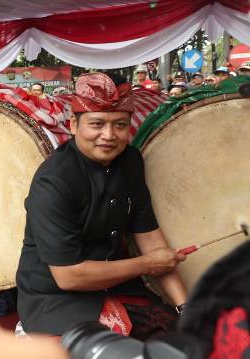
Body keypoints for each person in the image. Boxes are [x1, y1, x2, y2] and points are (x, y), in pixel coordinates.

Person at [17, 73, 187, 339]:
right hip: (58, 300)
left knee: (182, 341)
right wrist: (147, 264)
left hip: (118, 287)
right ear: (73, 124)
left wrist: (186, 308)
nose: (108, 136)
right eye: (96, 124)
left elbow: (150, 238)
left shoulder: (130, 161)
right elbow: (68, 276)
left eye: (120, 125)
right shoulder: (54, 181)